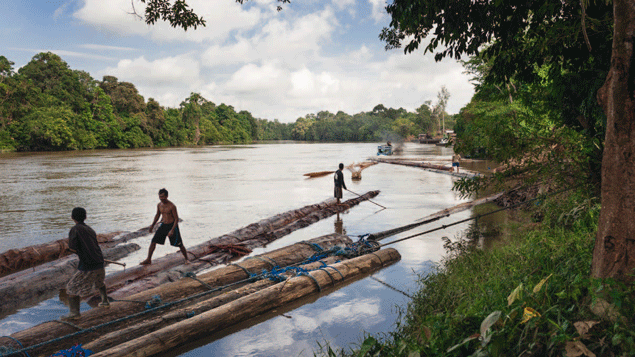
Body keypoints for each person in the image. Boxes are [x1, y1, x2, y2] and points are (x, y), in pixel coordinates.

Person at [62, 207, 109, 320]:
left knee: (71, 287)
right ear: (85, 217)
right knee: (99, 281)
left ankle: (74, 313)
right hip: (99, 260)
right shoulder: (90, 229)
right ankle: (105, 301)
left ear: (72, 217)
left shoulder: (75, 229)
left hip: (88, 264)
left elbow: (73, 248)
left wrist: (66, 249)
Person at [140, 188, 189, 265]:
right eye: (160, 196)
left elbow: (176, 219)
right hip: (164, 225)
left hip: (172, 226)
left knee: (180, 244)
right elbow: (157, 215)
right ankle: (148, 259)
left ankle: (187, 259)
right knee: (153, 241)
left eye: (163, 196)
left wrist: (172, 230)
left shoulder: (172, 206)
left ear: (167, 196)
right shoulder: (159, 205)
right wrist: (152, 225)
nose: (161, 198)